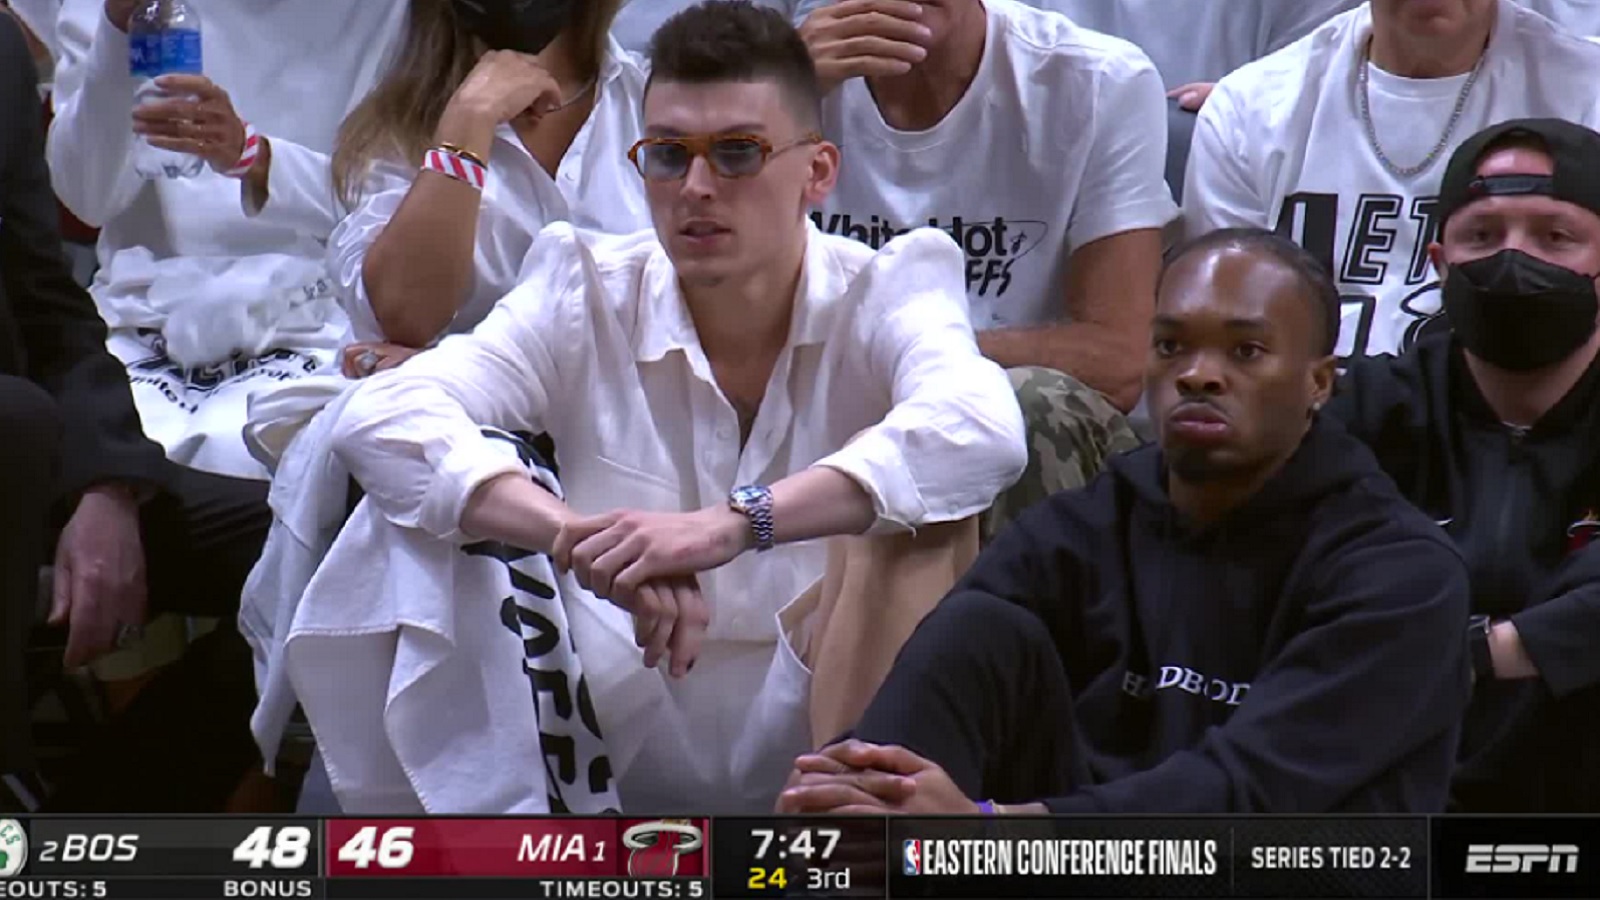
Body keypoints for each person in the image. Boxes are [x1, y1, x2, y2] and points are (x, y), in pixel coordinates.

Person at [326, 0, 1026, 813]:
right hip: (615, 703)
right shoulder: (582, 282)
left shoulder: (890, 285)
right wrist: (573, 536)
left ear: (818, 171)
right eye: (667, 155)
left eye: (737, 153)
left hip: (827, 705)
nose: (696, 188)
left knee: (917, 523)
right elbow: (379, 418)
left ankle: (844, 842)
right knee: (436, 503)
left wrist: (733, 523)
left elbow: (982, 429)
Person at [778, 228, 1470, 815]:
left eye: (1245, 352)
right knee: (982, 629)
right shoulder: (1092, 521)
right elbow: (954, 671)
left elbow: (1245, 795)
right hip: (1073, 862)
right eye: (1172, 347)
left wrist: (988, 831)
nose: (1198, 375)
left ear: (1320, 382)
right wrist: (865, 796)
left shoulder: (1401, 575)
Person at [0, 12, 271, 812]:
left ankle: (88, 823)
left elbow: (44, 298)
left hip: (25, 447)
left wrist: (109, 481)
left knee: (327, 538)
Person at [795, 0, 1170, 531]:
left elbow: (1119, 359)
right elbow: (713, 300)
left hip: (1014, 427)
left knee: (1023, 403)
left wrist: (911, 357)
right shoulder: (783, 74)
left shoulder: (1097, 81)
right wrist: (782, 97)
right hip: (821, 406)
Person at [1327, 119, 1600, 812]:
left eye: (1555, 237)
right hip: (1385, 793)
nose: (1514, 259)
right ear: (1440, 263)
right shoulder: (1364, 409)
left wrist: (1486, 651)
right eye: (1483, 236)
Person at [45, 0, 407, 478]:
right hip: (141, 315)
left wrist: (254, 156)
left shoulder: (399, 14)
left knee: (303, 458)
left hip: (321, 314)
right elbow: (86, 197)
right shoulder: (113, 9)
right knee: (84, 455)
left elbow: (403, 205)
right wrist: (116, 33)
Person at [1182, 0, 1600, 363]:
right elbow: (1224, 331)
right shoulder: (1248, 108)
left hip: (1498, 424)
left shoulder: (1586, 92)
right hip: (1301, 430)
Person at [329, 0, 646, 371]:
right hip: (452, 424)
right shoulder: (397, 132)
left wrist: (461, 367)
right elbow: (403, 316)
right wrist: (468, 125)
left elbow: (707, 309)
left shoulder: (654, 99)